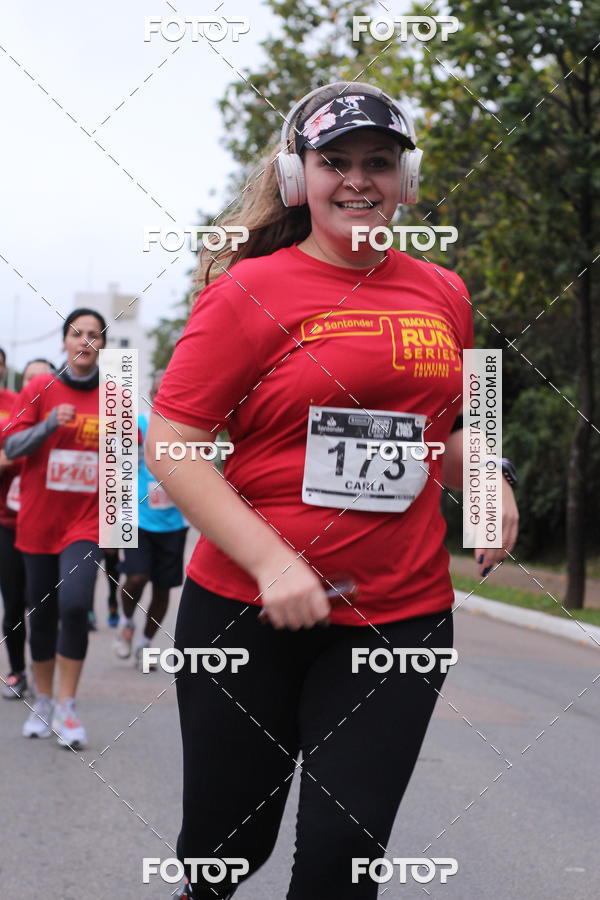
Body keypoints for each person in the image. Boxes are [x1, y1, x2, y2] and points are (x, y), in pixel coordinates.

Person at [146, 82, 519, 899]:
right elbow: (171, 444)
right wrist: (274, 563)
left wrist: (489, 475)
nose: (358, 180)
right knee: (224, 850)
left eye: (378, 162)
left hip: (399, 614)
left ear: (406, 178)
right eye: (335, 162)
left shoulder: (444, 293)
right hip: (246, 612)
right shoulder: (248, 292)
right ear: (297, 177)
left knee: (343, 860)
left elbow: (444, 430)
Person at [4, 310, 106, 749]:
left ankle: (68, 705)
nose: (85, 341)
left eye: (93, 335)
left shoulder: (115, 396)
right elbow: (10, 445)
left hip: (86, 522)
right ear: (65, 341)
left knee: (75, 603)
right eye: (76, 333)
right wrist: (48, 425)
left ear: (103, 344)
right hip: (40, 522)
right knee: (40, 612)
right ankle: (42, 701)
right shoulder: (38, 389)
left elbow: (127, 461)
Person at [113, 370, 188, 668]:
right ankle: (126, 621)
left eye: (168, 393)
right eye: (158, 393)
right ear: (153, 395)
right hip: (139, 519)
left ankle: (145, 643)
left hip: (174, 522)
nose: (162, 399)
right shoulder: (139, 425)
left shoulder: (187, 430)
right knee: (137, 577)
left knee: (162, 588)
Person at [0, 357, 55, 699]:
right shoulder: (11, 411)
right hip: (9, 521)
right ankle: (18, 671)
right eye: (31, 378)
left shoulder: (65, 417)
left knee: (48, 604)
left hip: (52, 524)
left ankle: (47, 676)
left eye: (44, 379)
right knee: (15, 601)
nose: (36, 385)